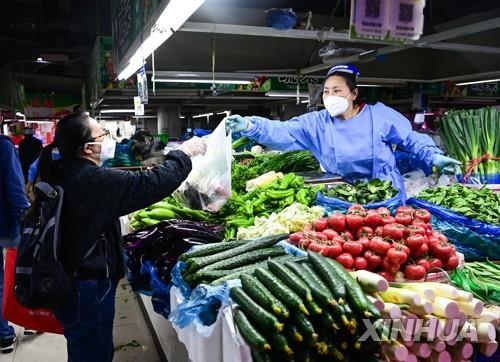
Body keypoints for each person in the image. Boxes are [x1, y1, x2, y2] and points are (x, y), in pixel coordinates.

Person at [37, 112, 206, 361]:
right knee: (92, 353)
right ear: (87, 148)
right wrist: (184, 153)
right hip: (87, 287)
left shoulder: (65, 170)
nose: (107, 138)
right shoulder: (92, 179)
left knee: (90, 348)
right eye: (102, 134)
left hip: (73, 281)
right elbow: (152, 182)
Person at [225, 64, 460, 198]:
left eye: (337, 90)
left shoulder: (379, 116)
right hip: (342, 197)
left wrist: (434, 156)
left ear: (354, 93)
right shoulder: (316, 123)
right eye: (326, 91)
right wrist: (251, 125)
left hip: (386, 196)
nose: (330, 96)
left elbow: (411, 139)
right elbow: (283, 132)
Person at [0, 132, 30, 353]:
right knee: (21, 272)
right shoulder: (3, 146)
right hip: (5, 223)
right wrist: (25, 220)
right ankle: (28, 320)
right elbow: (13, 185)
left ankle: (3, 335)